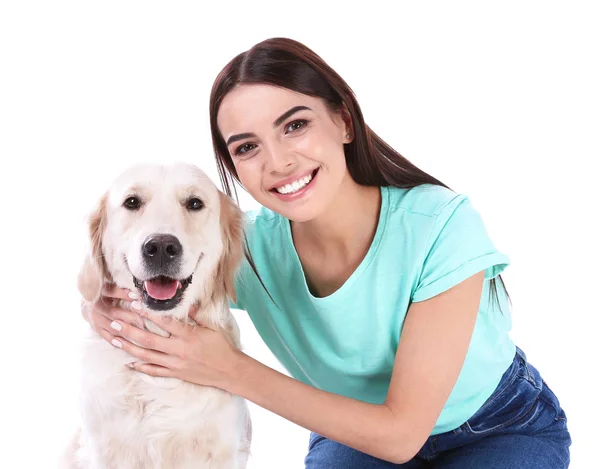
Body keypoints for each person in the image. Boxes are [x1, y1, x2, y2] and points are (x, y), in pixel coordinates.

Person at [82, 38, 571, 468]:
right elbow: (144, 263)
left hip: (497, 424)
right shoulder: (242, 250)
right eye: (247, 147)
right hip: (353, 428)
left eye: (294, 126)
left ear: (343, 121)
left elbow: (401, 435)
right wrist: (96, 303)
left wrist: (227, 368)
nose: (278, 161)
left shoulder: (441, 227)